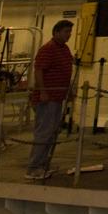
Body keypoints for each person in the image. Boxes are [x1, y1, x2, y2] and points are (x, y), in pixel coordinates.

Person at [26, 19, 74, 180]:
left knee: (52, 132)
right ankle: (33, 167)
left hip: (58, 97)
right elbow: (39, 70)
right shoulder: (48, 49)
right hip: (47, 98)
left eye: (70, 31)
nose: (69, 35)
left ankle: (43, 164)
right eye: (66, 31)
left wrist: (69, 91)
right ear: (56, 32)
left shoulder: (64, 49)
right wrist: (43, 91)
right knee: (44, 132)